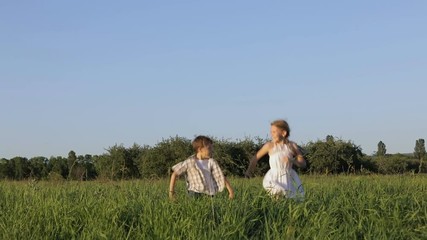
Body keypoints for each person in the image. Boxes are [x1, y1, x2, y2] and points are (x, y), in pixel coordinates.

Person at [245, 119, 306, 199]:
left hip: (288, 177)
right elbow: (255, 158)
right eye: (271, 132)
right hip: (274, 176)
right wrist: (249, 172)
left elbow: (303, 164)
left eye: (274, 132)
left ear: (283, 133)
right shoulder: (269, 146)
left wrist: (293, 160)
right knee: (277, 194)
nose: (272, 134)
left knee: (290, 198)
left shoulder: (292, 146)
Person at [169, 135, 234, 200]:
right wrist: (171, 193)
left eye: (212, 148)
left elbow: (220, 176)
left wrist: (231, 191)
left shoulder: (212, 162)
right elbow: (175, 174)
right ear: (200, 149)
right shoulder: (190, 162)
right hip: (194, 193)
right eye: (209, 148)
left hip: (209, 193)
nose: (212, 150)